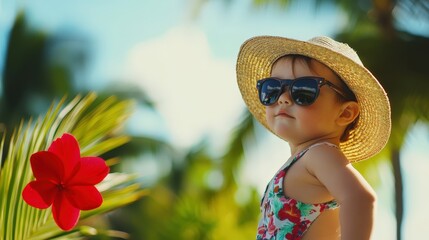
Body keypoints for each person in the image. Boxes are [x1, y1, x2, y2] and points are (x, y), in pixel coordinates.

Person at [236, 36, 391, 240]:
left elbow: (361, 199)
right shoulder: (303, 161)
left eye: (303, 90)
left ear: (345, 114)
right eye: (272, 88)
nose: (283, 98)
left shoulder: (320, 154)